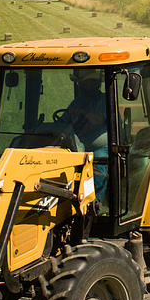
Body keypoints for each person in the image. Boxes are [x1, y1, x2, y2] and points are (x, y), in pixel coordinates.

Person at [59, 69, 109, 209]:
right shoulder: (78, 101)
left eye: (84, 83)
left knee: (97, 165)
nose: (80, 86)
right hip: (79, 147)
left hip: (101, 149)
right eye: (80, 83)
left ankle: (94, 204)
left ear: (95, 83)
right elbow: (63, 120)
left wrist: (81, 112)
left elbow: (97, 119)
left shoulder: (104, 100)